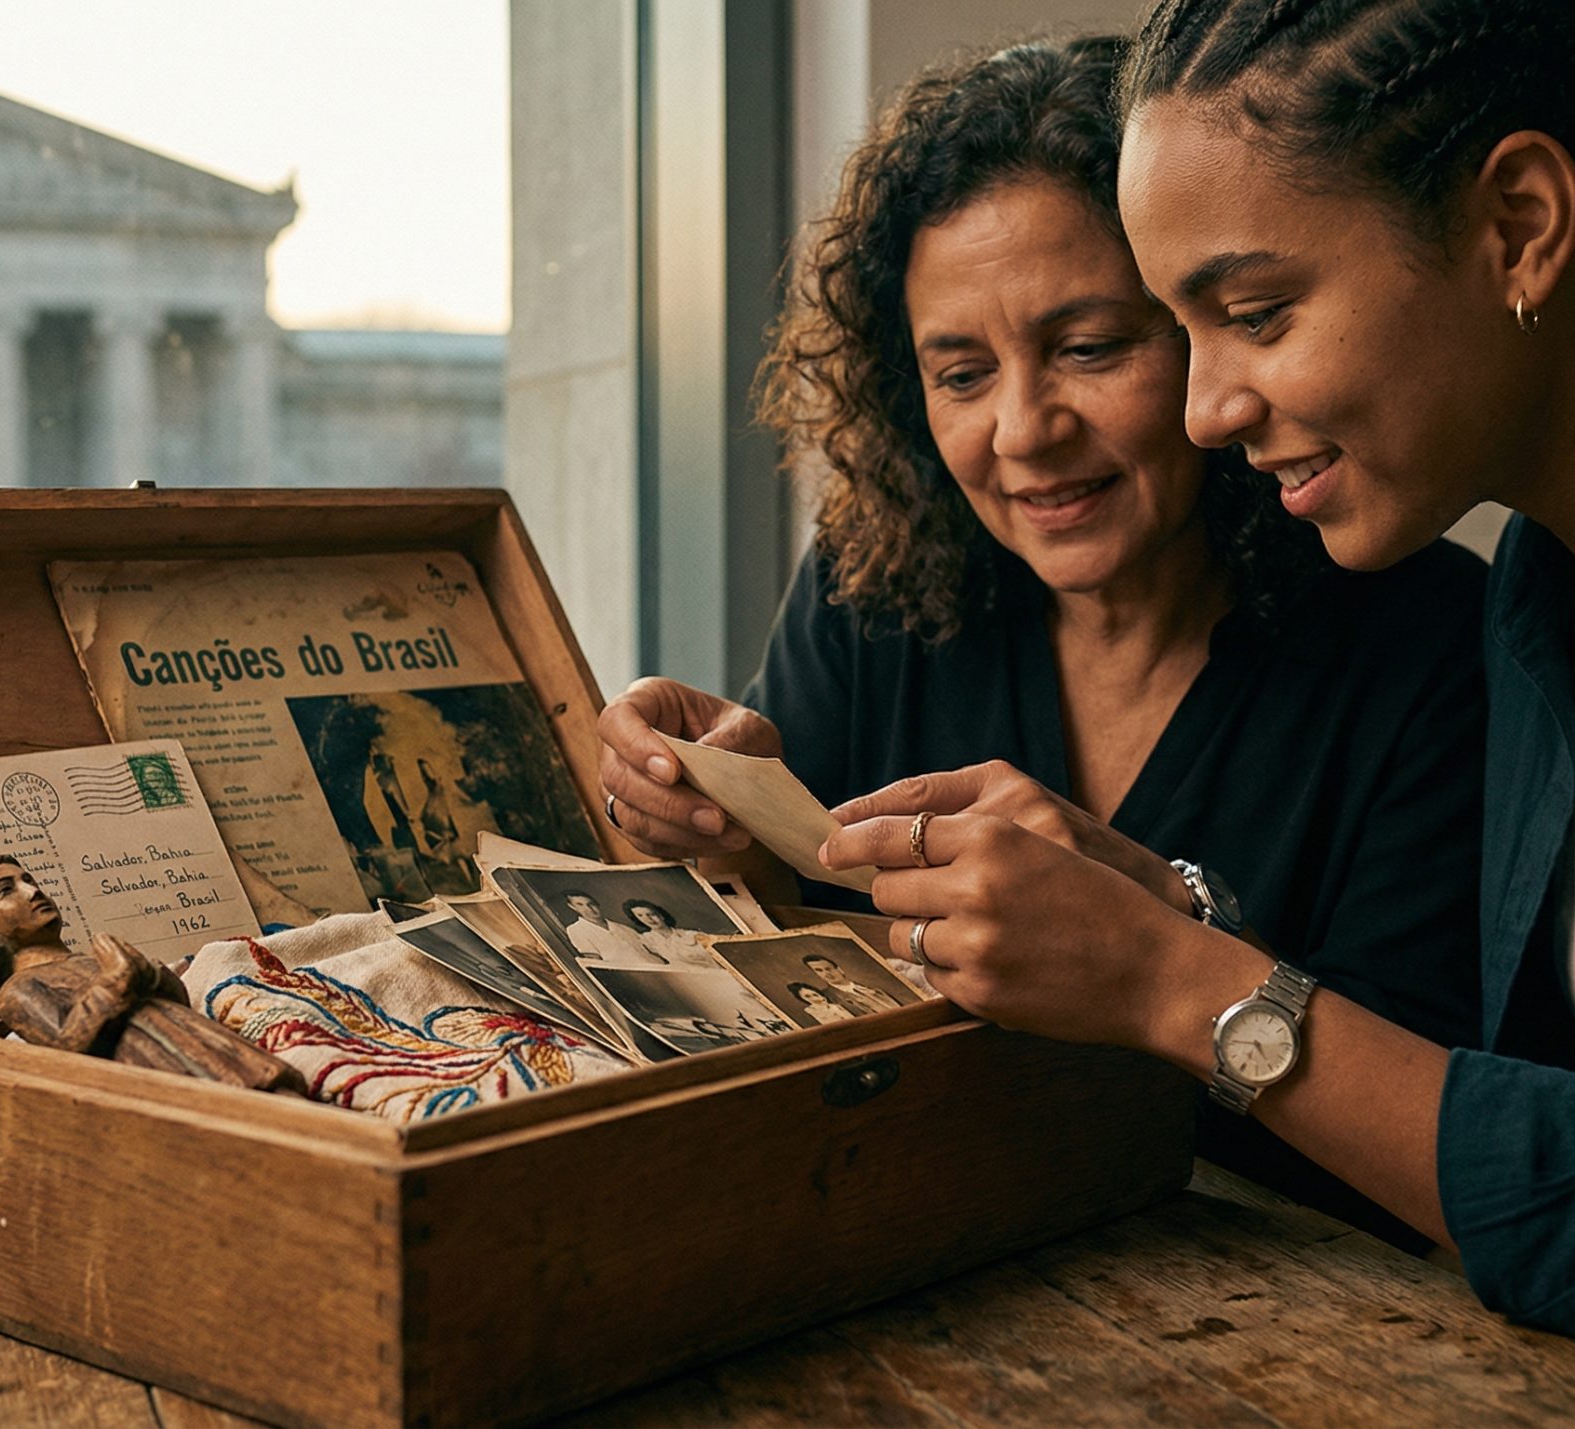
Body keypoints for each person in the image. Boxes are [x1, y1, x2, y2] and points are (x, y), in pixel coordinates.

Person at [825, 3, 1575, 1419]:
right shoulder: (1543, 588)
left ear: (1521, 223)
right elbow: (1554, 1133)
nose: (1201, 410)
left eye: (1253, 313)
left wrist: (1175, 987)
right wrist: (1165, 918)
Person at [596, 36, 1484, 1241]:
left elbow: (1431, 1127)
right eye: (961, 373)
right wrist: (704, 821)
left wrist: (1167, 947)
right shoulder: (870, 590)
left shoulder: (1433, 642)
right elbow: (775, 945)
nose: (1023, 429)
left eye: (1087, 348)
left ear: (1202, 330)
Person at [0, 852, 304, 1095]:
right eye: (7, 891)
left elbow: (176, 997)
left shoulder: (89, 960)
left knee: (283, 1096)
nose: (33, 890)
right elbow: (67, 1044)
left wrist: (149, 973)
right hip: (161, 1069)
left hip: (205, 1044)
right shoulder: (20, 989)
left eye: (28, 880)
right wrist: (117, 978)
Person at [556, 890, 664, 968]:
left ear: (598, 905)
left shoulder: (623, 928)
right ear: (573, 907)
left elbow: (653, 951)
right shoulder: (576, 930)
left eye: (591, 904)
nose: (589, 909)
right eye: (580, 905)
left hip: (659, 967)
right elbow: (595, 962)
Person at [621, 898, 715, 968]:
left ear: (661, 916)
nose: (648, 919)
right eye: (640, 916)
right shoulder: (646, 941)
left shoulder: (691, 935)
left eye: (651, 914)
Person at [802, 952, 901, 1017]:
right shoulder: (829, 998)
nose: (826, 973)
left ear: (839, 969)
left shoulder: (870, 987)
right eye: (819, 971)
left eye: (828, 969)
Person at [788, 982, 852, 1027]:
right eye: (807, 996)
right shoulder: (810, 1012)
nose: (814, 998)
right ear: (802, 999)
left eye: (815, 994)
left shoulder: (835, 1003)